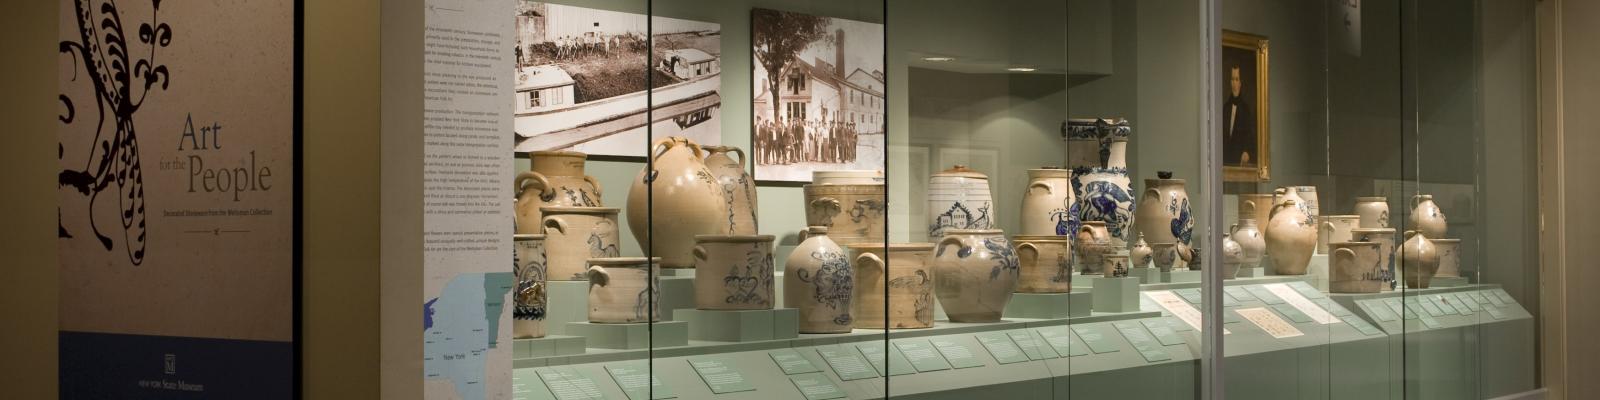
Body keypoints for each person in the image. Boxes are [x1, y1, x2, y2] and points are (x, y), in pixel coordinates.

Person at [1223, 65, 1257, 166]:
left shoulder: (1246, 109)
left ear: (1240, 83)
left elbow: (1250, 138)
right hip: (1225, 161)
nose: (1234, 83)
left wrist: (1246, 152)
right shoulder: (1225, 108)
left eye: (1236, 79)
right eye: (1232, 79)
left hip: (1238, 162)